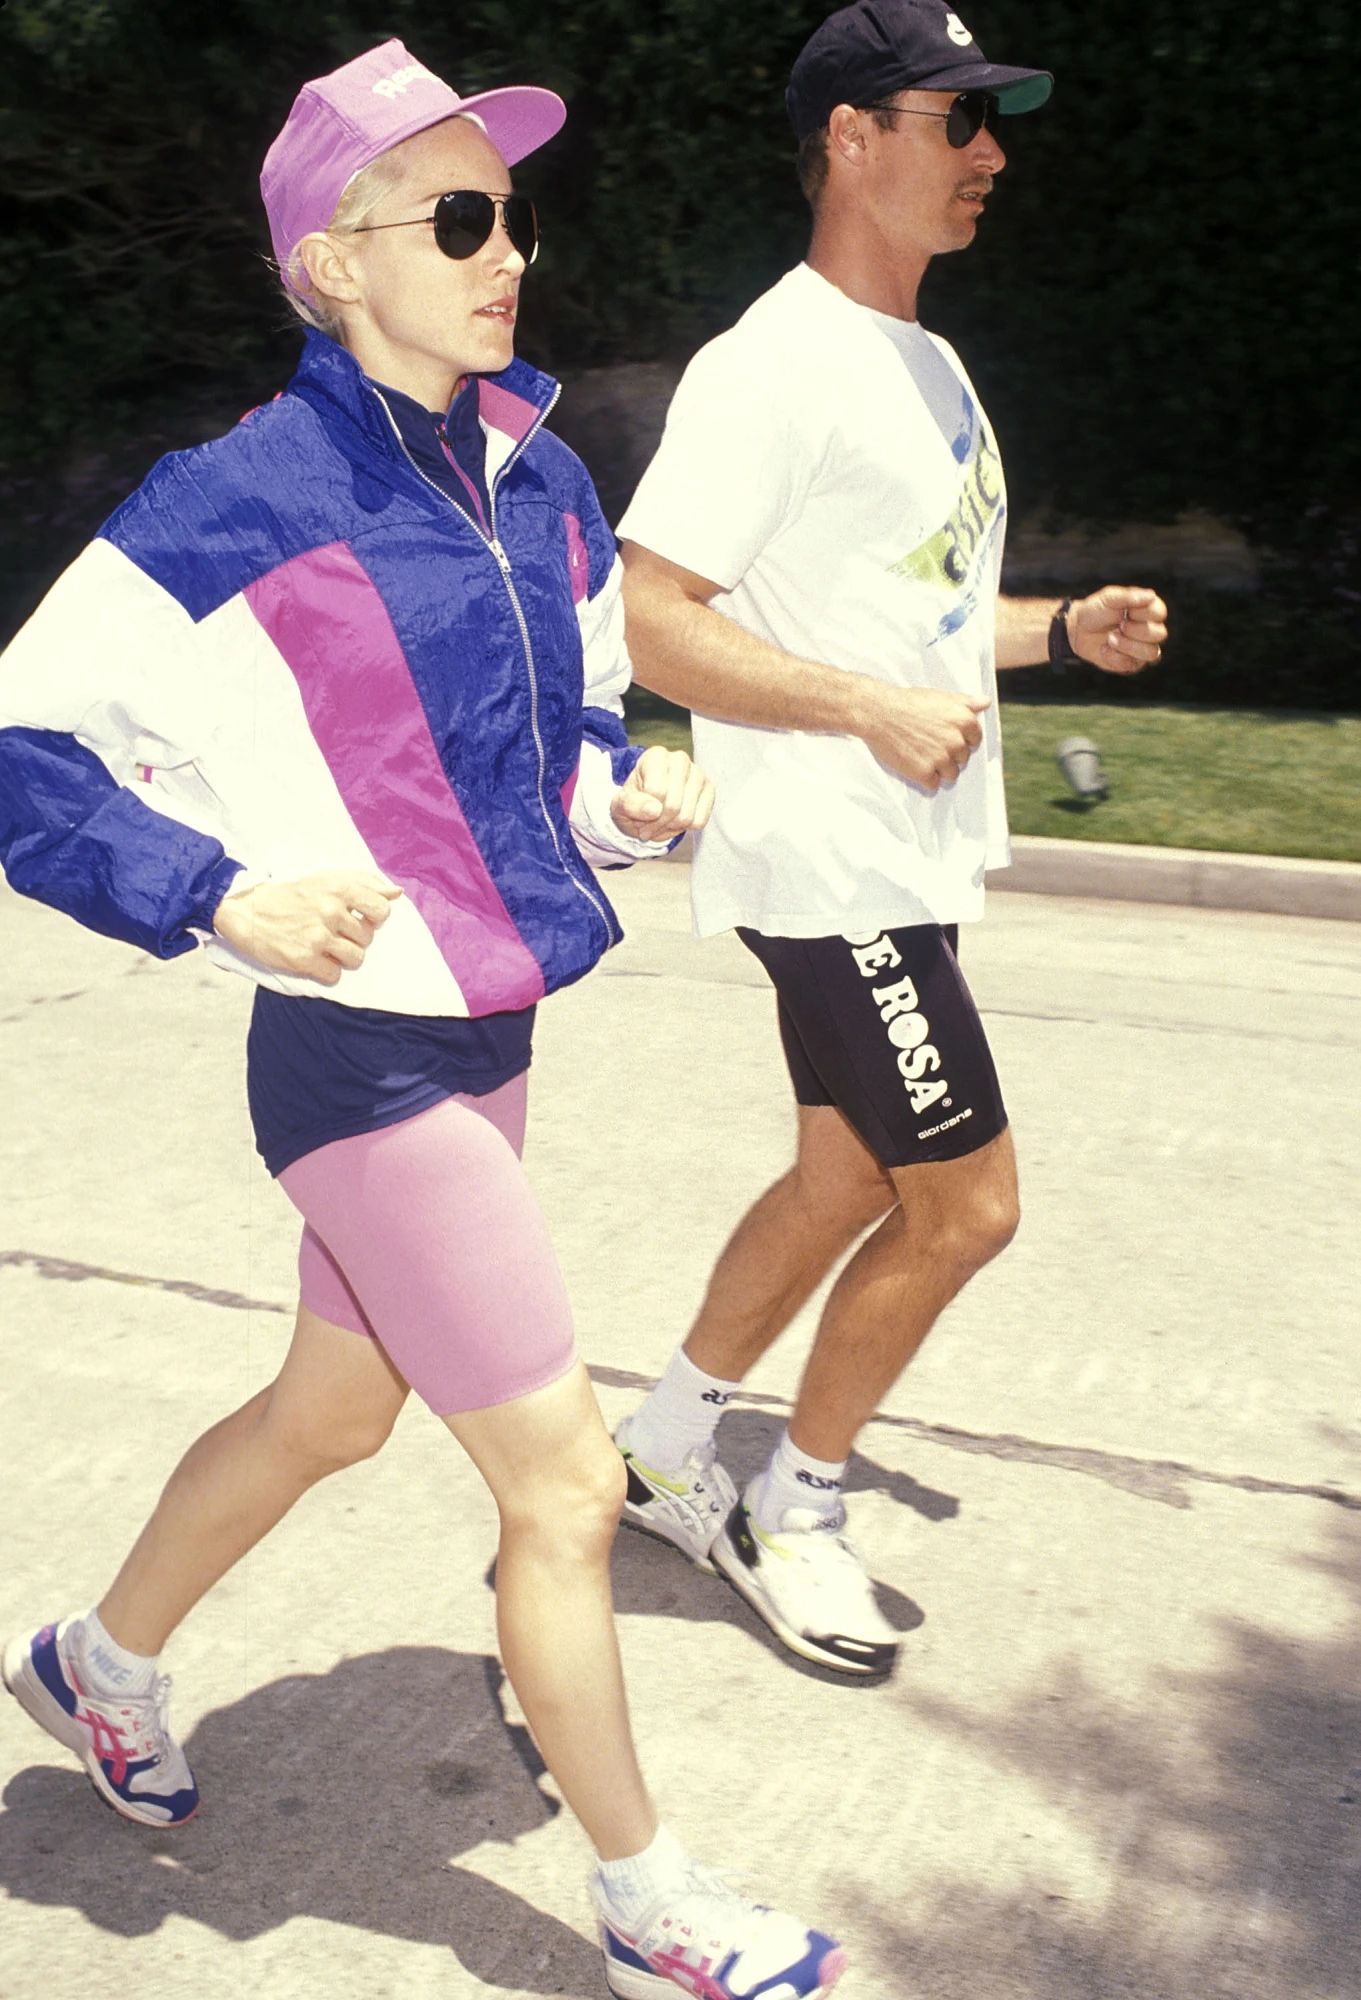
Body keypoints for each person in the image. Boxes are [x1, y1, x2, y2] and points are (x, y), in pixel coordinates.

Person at [0, 42, 846, 2000]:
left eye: (511, 215)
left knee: (335, 1409)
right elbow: (20, 745)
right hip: (358, 1056)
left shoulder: (538, 475)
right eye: (456, 219)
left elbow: (565, 732)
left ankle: (95, 1662)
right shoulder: (234, 499)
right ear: (332, 261)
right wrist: (214, 891)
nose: (505, 252)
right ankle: (650, 1915)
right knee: (563, 1483)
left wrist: (627, 798)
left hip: (488, 1027)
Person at [612, 0, 1169, 1679]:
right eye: (957, 120)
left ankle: (666, 1440)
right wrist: (863, 712)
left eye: (993, 123)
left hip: (896, 854)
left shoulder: (926, 361)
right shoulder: (768, 366)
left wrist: (1057, 634)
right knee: (968, 1208)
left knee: (847, 1176)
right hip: (830, 857)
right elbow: (654, 623)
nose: (992, 153)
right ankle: (793, 1508)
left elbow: (908, 622)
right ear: (852, 140)